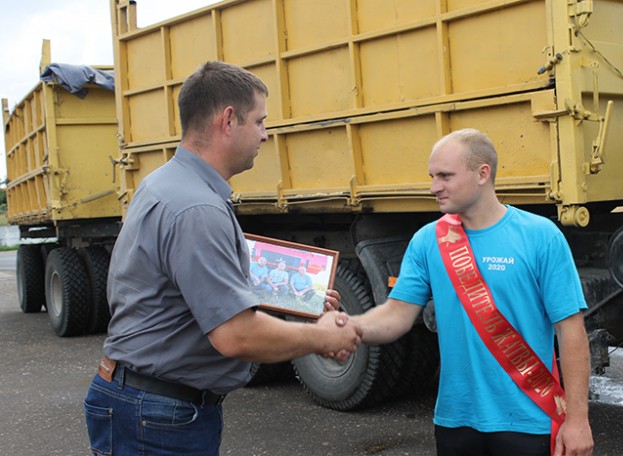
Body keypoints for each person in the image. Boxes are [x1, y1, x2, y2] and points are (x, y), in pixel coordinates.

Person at [83, 61, 362, 456]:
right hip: (159, 417)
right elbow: (235, 335)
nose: (265, 135)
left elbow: (182, 288)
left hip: (146, 404)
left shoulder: (167, 183)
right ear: (228, 120)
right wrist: (322, 336)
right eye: (260, 121)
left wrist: (295, 299)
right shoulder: (197, 209)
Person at [348, 129, 594, 456]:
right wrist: (347, 329)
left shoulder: (541, 237)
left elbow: (571, 331)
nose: (435, 187)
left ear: (482, 174)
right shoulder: (426, 241)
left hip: (529, 421)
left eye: (445, 176)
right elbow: (396, 316)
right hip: (456, 421)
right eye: (432, 176)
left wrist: (577, 420)